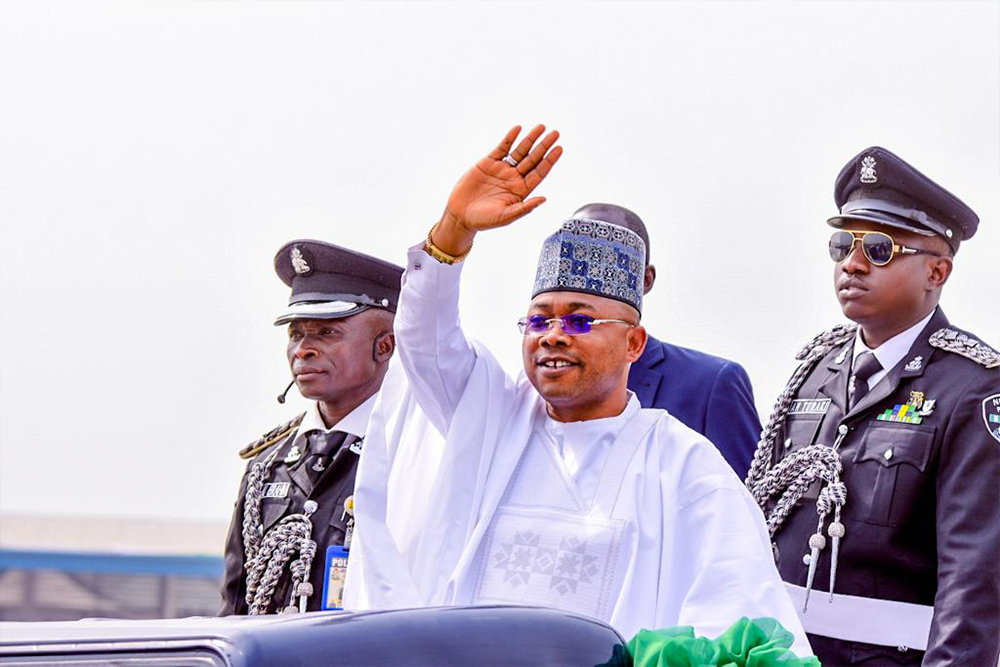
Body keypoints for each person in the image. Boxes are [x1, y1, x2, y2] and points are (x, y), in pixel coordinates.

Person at [344, 125, 811, 653]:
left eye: (580, 321)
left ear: (633, 343)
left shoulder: (685, 468)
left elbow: (736, 617)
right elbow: (425, 342)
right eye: (538, 320)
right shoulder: (492, 421)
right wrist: (453, 231)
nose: (553, 335)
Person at [745, 146, 1000, 665]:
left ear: (937, 272)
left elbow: (973, 581)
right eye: (843, 245)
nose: (852, 264)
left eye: (879, 249)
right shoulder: (814, 368)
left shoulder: (973, 388)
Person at [219, 240, 403, 615]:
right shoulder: (267, 465)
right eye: (295, 334)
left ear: (384, 347)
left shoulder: (410, 452)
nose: (303, 349)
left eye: (326, 333)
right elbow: (234, 607)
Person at [571, 203, 762, 478]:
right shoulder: (540, 389)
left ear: (646, 279)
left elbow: (750, 498)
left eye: (611, 258)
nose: (587, 271)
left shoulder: (711, 384)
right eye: (574, 253)